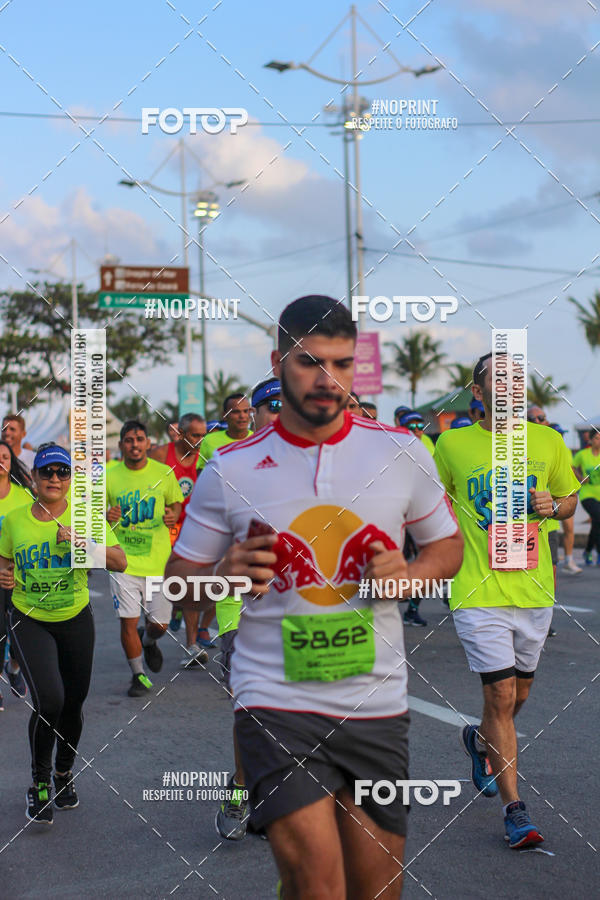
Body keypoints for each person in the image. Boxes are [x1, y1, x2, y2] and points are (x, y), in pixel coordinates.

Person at [166, 294, 463, 898]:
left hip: (375, 705)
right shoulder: (231, 468)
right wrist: (223, 572)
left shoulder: (402, 453)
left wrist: (408, 576)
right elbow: (180, 583)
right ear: (277, 363)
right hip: (275, 701)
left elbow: (447, 550)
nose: (329, 380)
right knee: (316, 884)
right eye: (309, 363)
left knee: (377, 889)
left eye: (342, 364)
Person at [435, 352, 579, 849]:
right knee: (499, 696)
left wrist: (553, 505)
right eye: (498, 381)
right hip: (477, 590)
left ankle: (479, 740)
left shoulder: (547, 440)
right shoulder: (452, 444)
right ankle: (515, 811)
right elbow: (433, 502)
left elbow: (568, 501)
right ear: (478, 393)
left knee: (518, 697)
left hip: (534, 587)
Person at [0, 444, 126, 823]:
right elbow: (5, 563)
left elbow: (120, 561)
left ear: (70, 479)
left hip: (74, 619)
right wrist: (3, 574)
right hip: (29, 617)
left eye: (62, 472)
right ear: (34, 479)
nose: (54, 478)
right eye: (46, 472)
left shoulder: (85, 518)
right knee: (50, 700)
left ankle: (63, 773)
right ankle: (39, 782)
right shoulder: (15, 521)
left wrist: (82, 543)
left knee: (73, 703)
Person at [214, 377, 281, 842]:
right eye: (271, 406)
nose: (281, 413)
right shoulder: (227, 469)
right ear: (253, 415)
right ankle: (241, 788)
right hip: (241, 613)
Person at [107, 421, 183, 696]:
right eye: (129, 440)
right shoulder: (109, 476)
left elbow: (176, 502)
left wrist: (173, 514)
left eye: (139, 439)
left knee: (160, 624)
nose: (135, 444)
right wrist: (106, 516)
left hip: (158, 564)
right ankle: (138, 676)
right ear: (121, 445)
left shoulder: (164, 473)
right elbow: (93, 513)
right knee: (127, 620)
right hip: (122, 563)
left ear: (148, 443)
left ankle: (149, 641)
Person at [194, 394, 253, 652]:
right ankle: (231, 646)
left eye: (245, 411)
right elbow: (199, 478)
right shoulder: (210, 442)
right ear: (226, 416)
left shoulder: (260, 440)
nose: (241, 416)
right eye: (235, 412)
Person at [150, 414, 207, 650]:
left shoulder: (206, 456)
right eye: (195, 435)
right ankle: (171, 609)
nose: (200, 440)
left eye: (203, 435)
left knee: (192, 582)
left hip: (192, 527)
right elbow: (143, 486)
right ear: (181, 434)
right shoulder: (161, 455)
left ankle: (191, 646)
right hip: (165, 526)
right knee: (169, 582)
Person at [0, 440, 33, 709]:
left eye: (4, 457)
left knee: (19, 629)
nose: (1, 461)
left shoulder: (23, 496)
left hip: (18, 575)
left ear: (11, 462)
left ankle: (13, 668)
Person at [550, 425, 581, 574]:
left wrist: (578, 479)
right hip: (544, 501)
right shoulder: (546, 446)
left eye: (563, 434)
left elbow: (571, 469)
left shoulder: (565, 450)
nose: (561, 436)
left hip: (562, 495)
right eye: (559, 434)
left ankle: (569, 560)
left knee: (569, 528)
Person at [573, 428, 600, 565]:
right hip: (587, 494)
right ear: (590, 440)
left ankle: (588, 551)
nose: (599, 441)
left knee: (597, 522)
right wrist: (580, 478)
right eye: (596, 438)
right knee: (598, 517)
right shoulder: (583, 454)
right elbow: (571, 466)